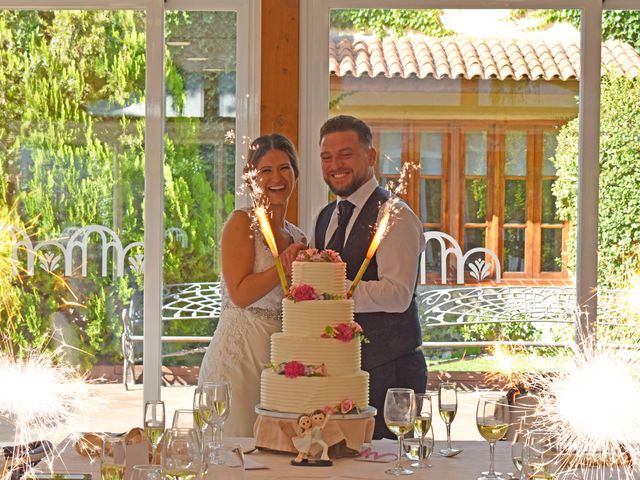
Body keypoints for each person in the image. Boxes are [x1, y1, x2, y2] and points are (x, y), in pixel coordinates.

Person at [312, 115, 427, 439]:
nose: (335, 165)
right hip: (342, 371)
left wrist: (333, 292)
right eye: (326, 157)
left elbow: (398, 294)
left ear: (371, 157)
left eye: (345, 154)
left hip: (391, 370)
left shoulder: (396, 215)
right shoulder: (324, 217)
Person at [198, 134, 307, 437]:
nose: (277, 178)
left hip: (278, 362)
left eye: (285, 168)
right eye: (265, 171)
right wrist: (282, 263)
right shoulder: (241, 223)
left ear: (295, 174)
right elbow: (240, 294)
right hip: (238, 357)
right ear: (251, 178)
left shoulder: (299, 238)